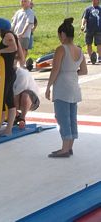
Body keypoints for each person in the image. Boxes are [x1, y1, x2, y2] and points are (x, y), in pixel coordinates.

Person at [45, 18, 87, 158]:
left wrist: (48, 86)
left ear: (62, 34)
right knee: (71, 117)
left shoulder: (61, 49)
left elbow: (55, 70)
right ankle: (69, 147)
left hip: (62, 87)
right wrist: (71, 72)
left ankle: (64, 149)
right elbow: (84, 71)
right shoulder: (79, 50)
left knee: (62, 117)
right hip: (74, 86)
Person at [0, 18, 24, 139]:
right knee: (9, 102)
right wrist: (14, 61)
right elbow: (21, 56)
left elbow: (14, 49)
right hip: (9, 72)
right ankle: (8, 130)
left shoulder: (7, 35)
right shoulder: (13, 35)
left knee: (1, 101)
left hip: (6, 74)